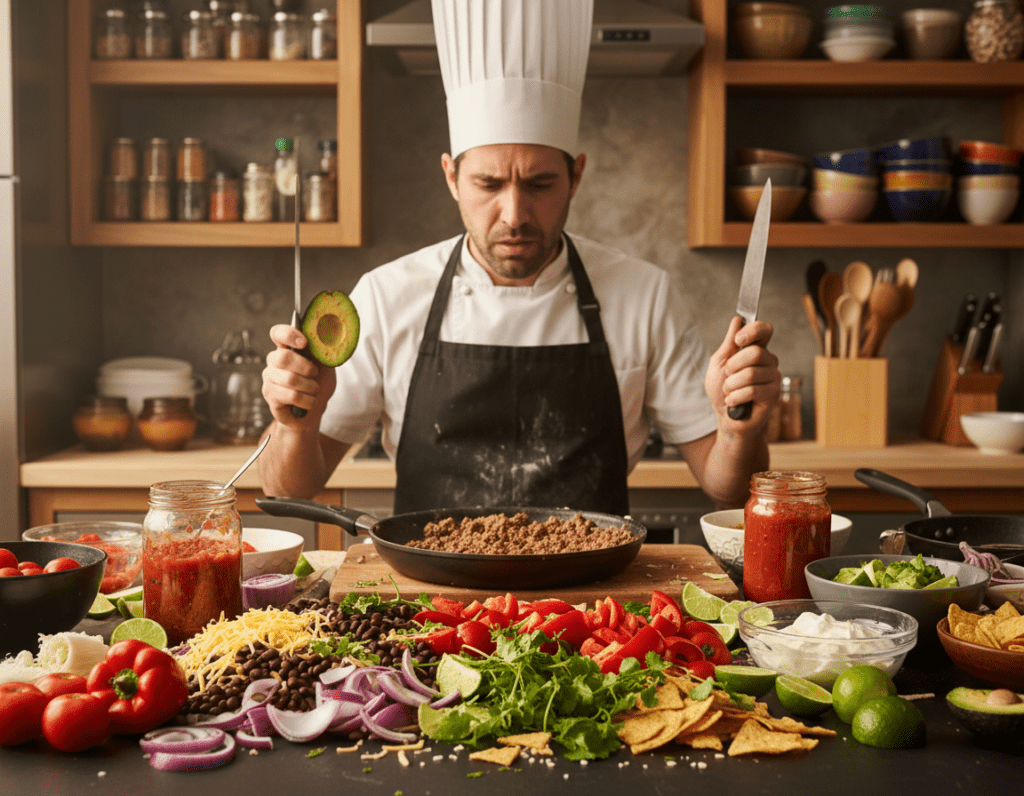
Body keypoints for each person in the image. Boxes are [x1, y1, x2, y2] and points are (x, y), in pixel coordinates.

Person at [259, 0, 780, 515]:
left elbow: (728, 487)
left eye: (540, 183)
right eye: (488, 183)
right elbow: (290, 490)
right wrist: (295, 425)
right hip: (431, 596)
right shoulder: (387, 295)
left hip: (591, 596)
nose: (514, 213)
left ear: (575, 175)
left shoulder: (643, 295)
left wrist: (739, 429)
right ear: (451, 177)